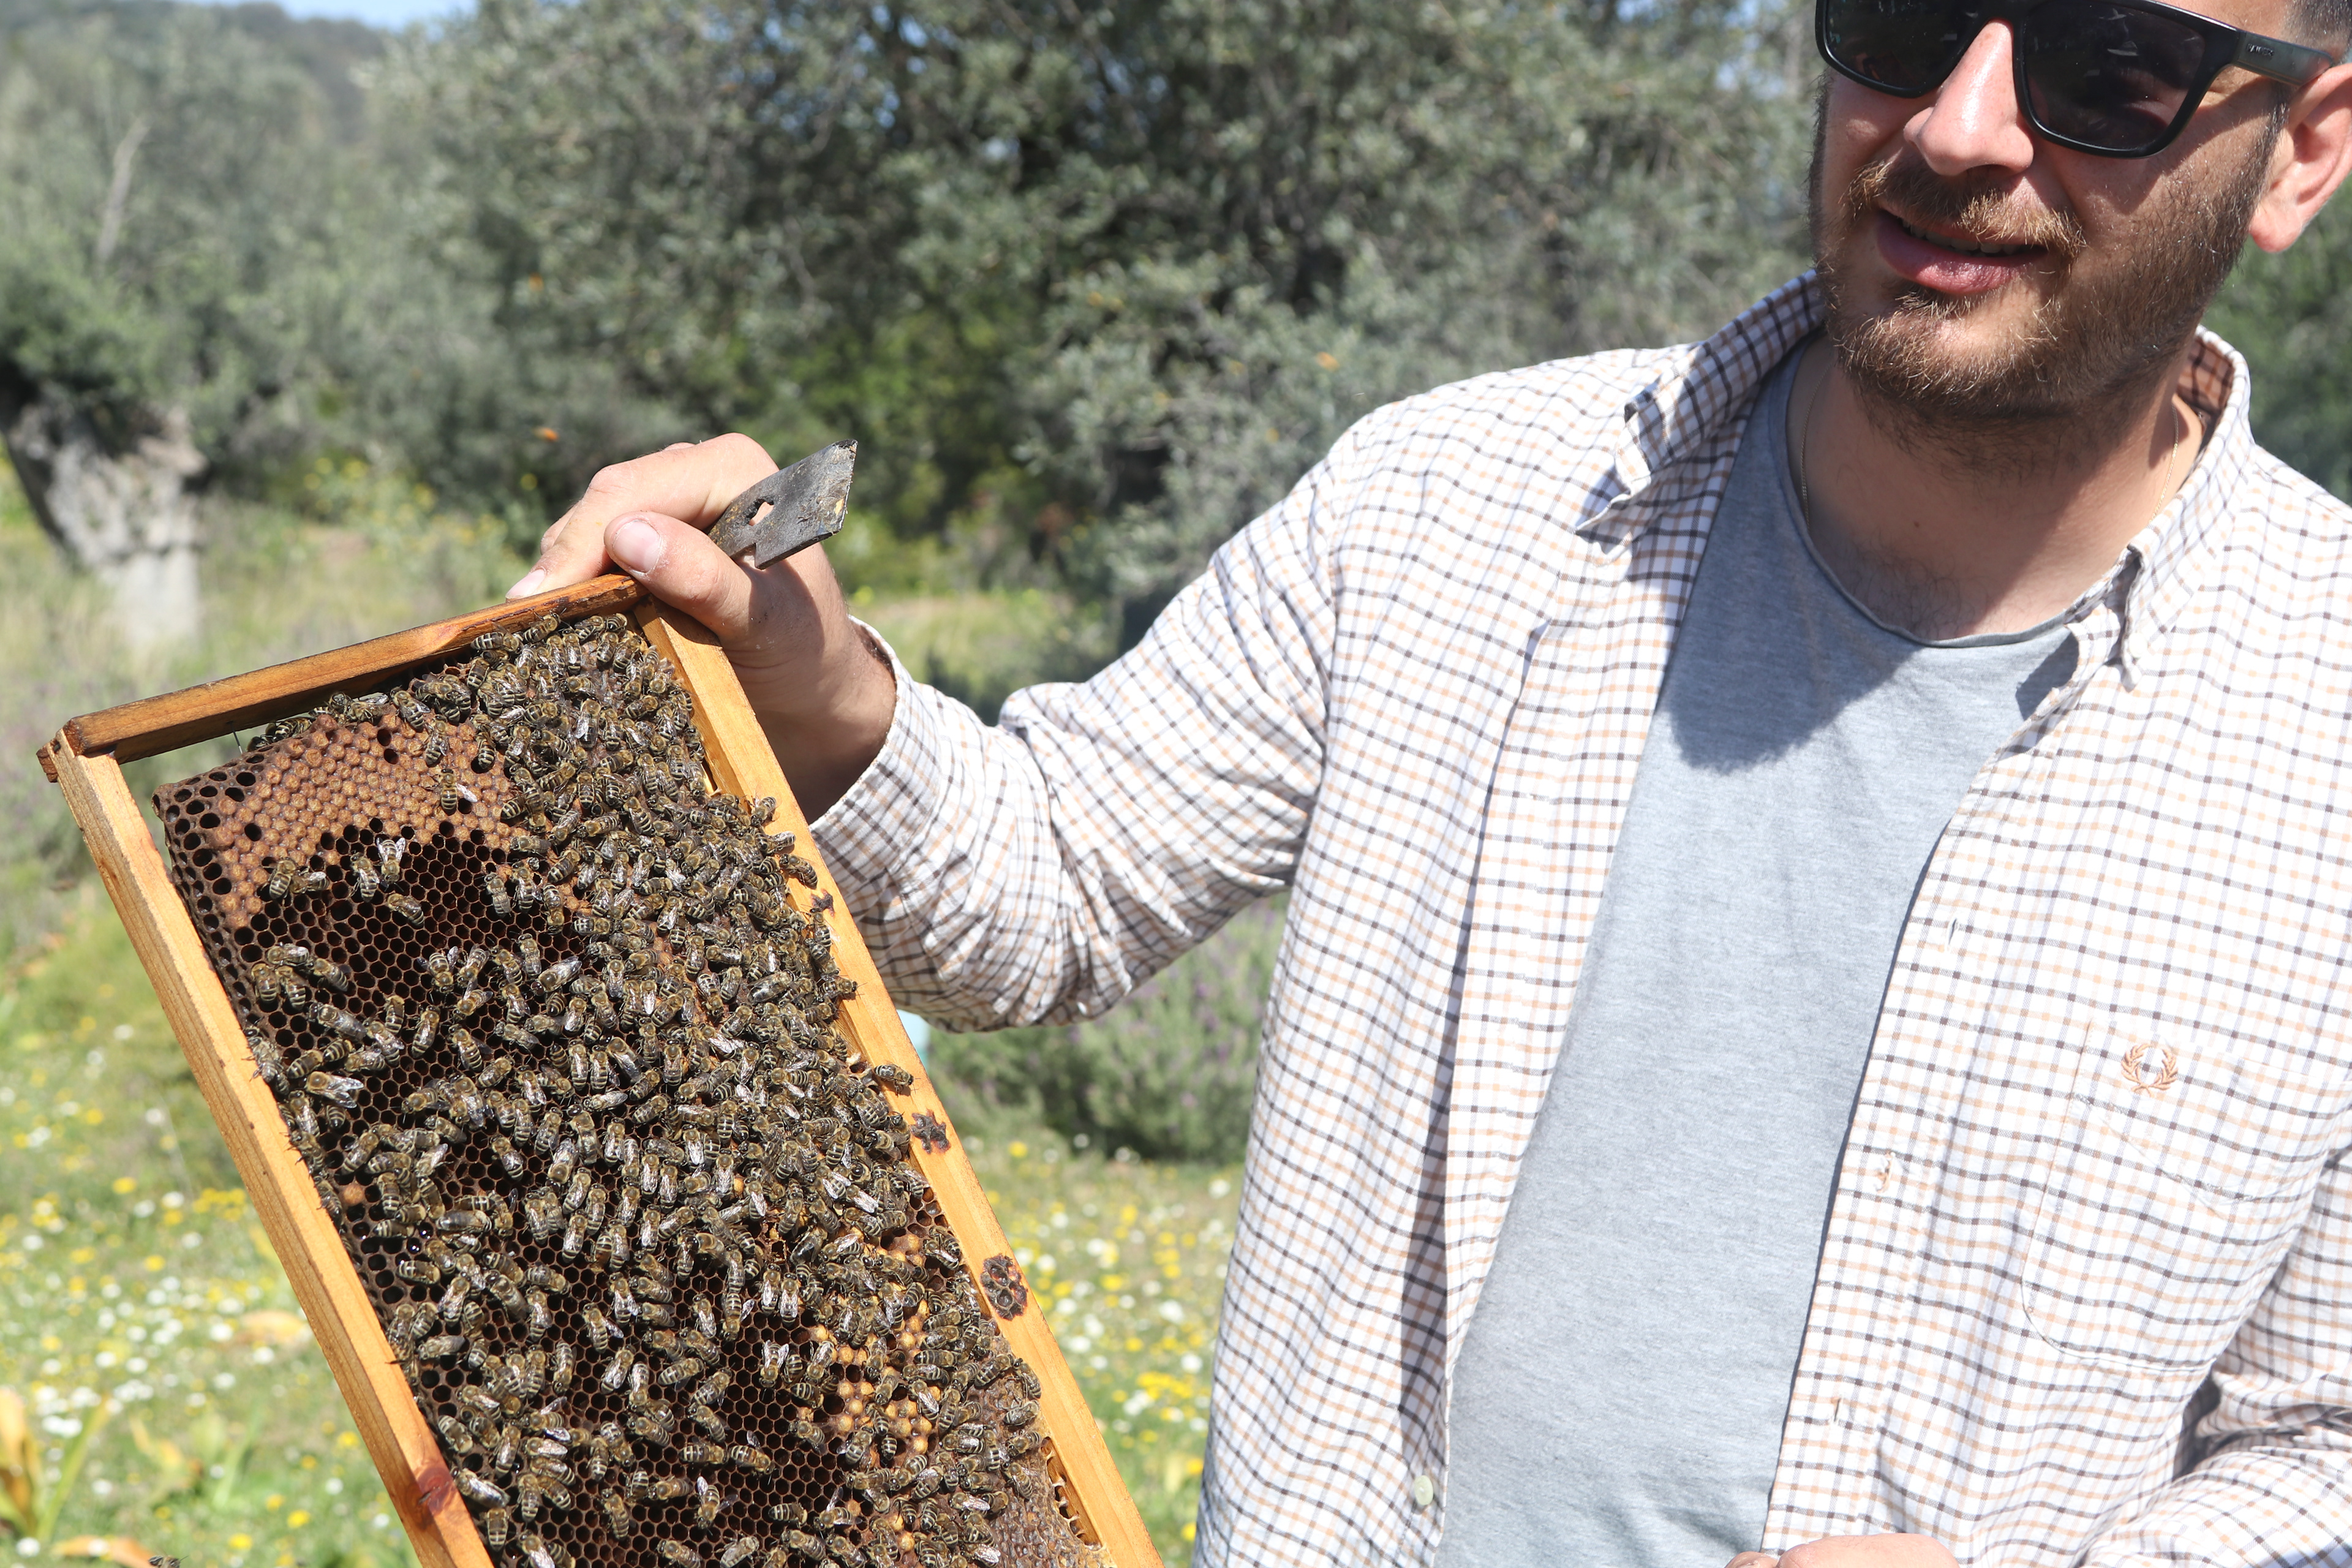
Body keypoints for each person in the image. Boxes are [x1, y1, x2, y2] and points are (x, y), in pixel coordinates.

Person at [504, 0, 2352, 1556]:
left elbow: (2328, 1439)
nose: (1955, 126)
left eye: (2110, 69)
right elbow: (1045, 885)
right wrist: (812, 677)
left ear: (2303, 150)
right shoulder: (1443, 507)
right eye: (1903, 17)